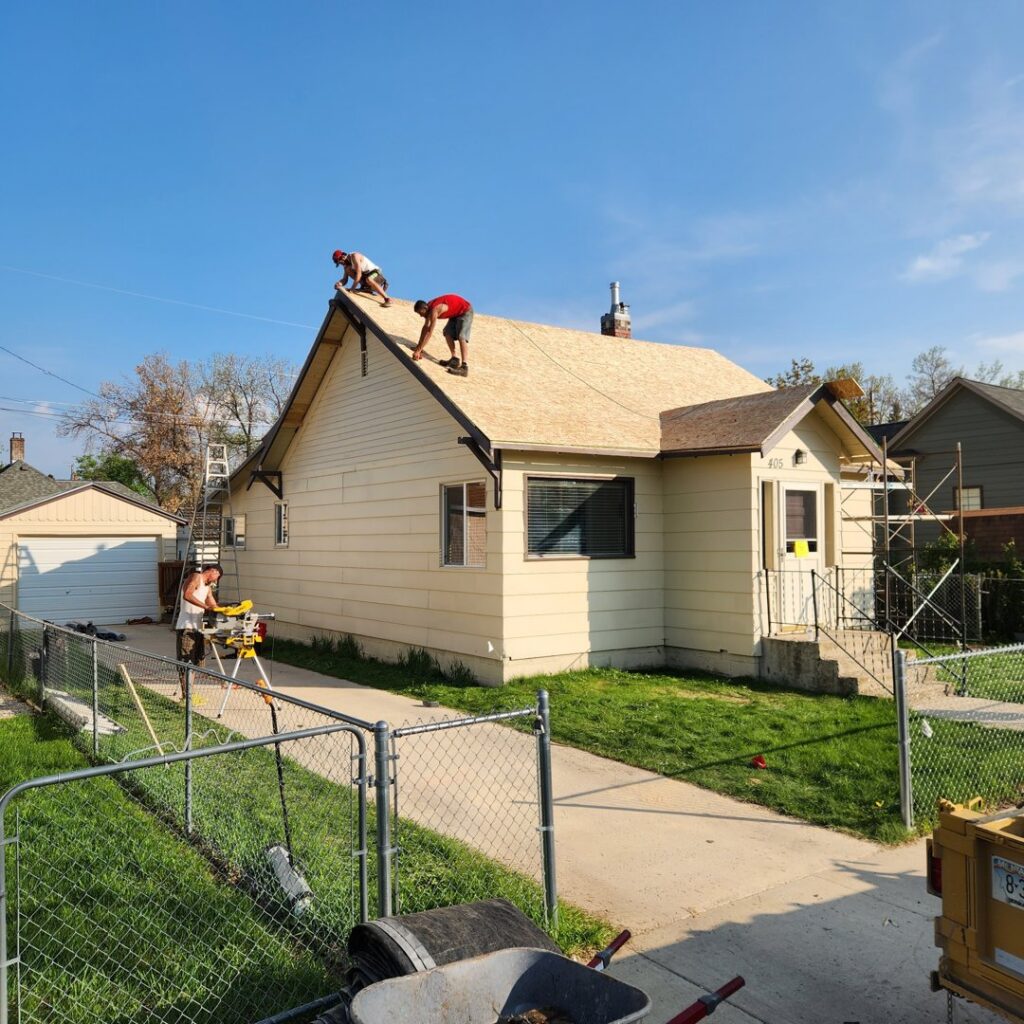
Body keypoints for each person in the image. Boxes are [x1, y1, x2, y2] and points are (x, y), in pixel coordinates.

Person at [175, 563, 222, 700]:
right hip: (186, 627)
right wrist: (206, 607)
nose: (216, 581)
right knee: (186, 662)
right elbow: (188, 595)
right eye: (217, 577)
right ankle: (186, 698)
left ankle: (190, 695)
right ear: (212, 571)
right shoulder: (196, 577)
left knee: (195, 663)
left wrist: (228, 610)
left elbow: (213, 605)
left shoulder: (207, 588)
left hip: (197, 628)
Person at [411, 294, 473, 376]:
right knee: (447, 332)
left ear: (425, 308)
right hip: (455, 314)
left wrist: (418, 351)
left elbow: (430, 332)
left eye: (420, 312)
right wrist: (419, 347)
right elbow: (425, 328)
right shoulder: (428, 310)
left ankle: (464, 367)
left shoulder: (434, 310)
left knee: (461, 336)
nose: (420, 315)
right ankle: (454, 359)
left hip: (465, 310)